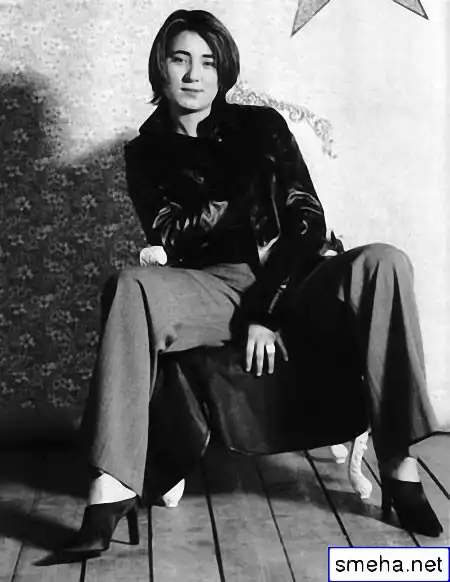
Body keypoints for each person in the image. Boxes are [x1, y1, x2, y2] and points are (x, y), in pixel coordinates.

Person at [58, 9, 443, 559]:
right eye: (180, 59)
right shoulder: (146, 152)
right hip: (211, 286)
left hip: (295, 277)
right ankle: (112, 487)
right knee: (128, 286)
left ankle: (400, 463)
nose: (194, 74)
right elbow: (173, 235)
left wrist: (268, 310)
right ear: (161, 68)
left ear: (224, 71)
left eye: (208, 62)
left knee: (385, 261)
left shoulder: (263, 126)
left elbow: (306, 220)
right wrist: (236, 183)